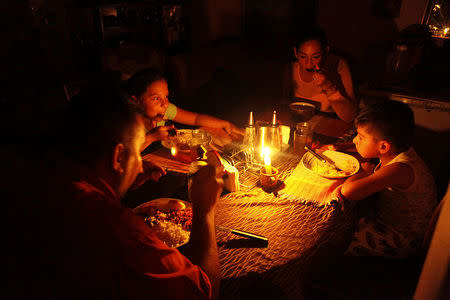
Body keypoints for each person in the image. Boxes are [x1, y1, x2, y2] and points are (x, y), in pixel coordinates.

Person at [5, 80, 223, 299]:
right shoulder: (120, 231)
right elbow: (203, 293)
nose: (140, 164)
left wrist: (119, 184)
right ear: (118, 157)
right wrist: (204, 210)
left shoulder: (28, 177)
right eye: (137, 153)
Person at [339, 100, 437, 258]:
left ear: (384, 147)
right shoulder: (398, 151)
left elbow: (348, 191)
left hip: (403, 238)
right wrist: (341, 147)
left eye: (361, 137)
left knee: (338, 238)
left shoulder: (399, 169)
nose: (355, 140)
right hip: (389, 218)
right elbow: (368, 147)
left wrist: (365, 171)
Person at [125, 68, 243, 151]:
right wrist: (152, 137)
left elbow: (196, 119)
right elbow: (123, 157)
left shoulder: (165, 110)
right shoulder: (128, 123)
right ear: (137, 101)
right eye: (156, 98)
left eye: (166, 96)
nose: (164, 104)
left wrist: (225, 124)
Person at [283, 26, 358, 122]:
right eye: (303, 56)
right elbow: (283, 107)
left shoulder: (338, 66)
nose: (309, 64)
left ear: (326, 51)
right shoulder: (290, 69)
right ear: (295, 52)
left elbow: (349, 116)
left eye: (315, 57)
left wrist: (328, 87)